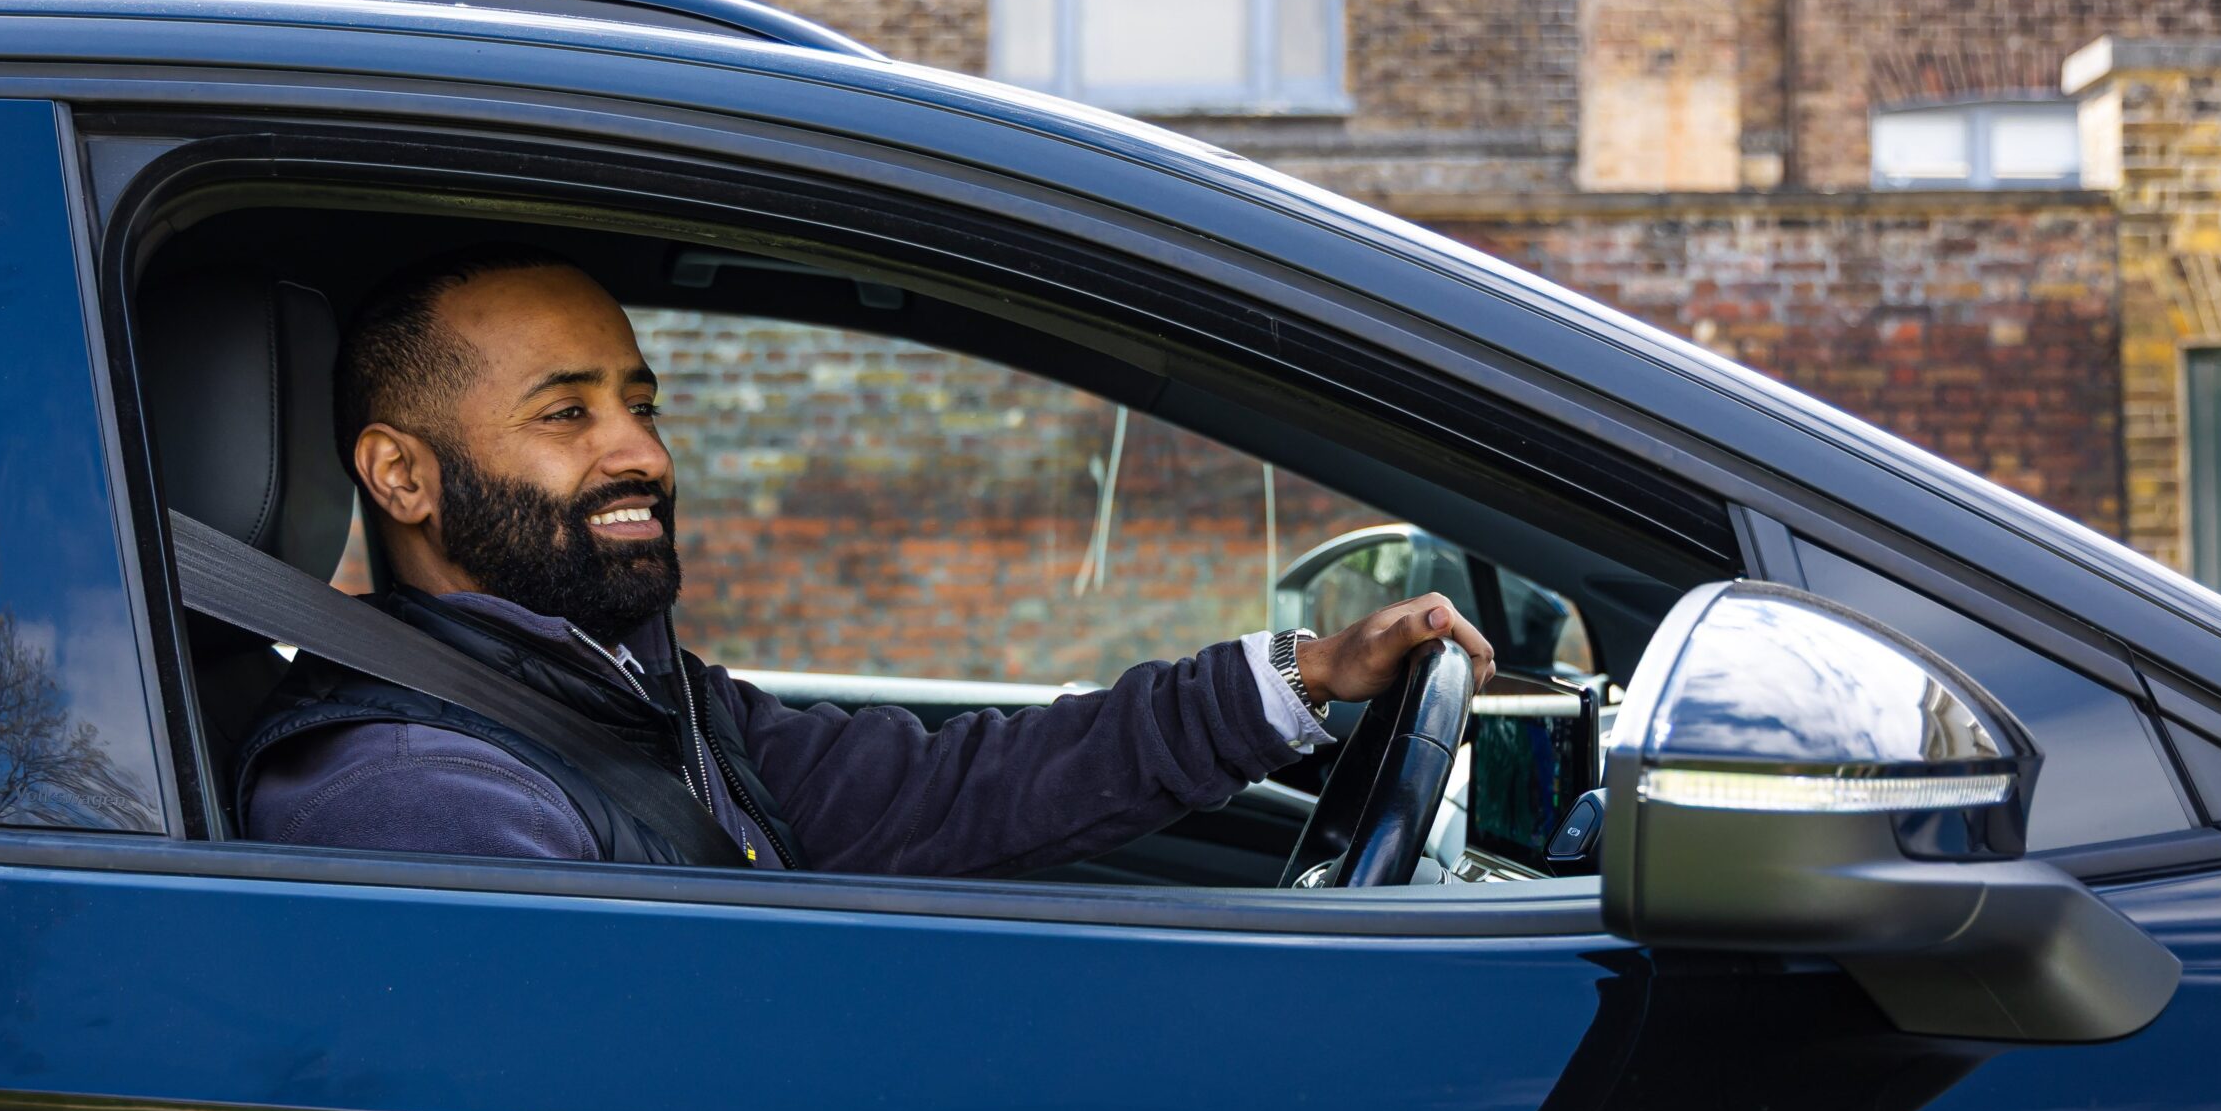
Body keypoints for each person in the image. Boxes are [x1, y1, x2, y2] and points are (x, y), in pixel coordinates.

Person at [239, 246, 1493, 874]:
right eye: (565, 415)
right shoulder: (414, 799)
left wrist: (1302, 670)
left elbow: (948, 789)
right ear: (400, 474)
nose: (641, 455)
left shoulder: (623, 697)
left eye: (642, 403)